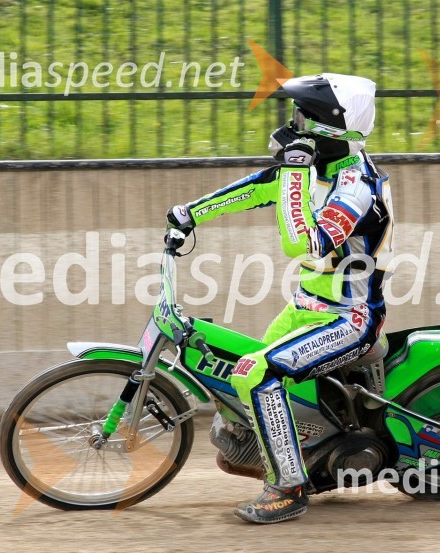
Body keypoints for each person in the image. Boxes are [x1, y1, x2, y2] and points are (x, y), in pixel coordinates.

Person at [167, 73, 394, 524]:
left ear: (330, 130)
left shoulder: (356, 188)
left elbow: (301, 243)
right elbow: (259, 187)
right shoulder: (321, 169)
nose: (294, 124)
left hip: (349, 319)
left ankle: (289, 488)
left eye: (303, 117)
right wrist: (189, 214)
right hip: (307, 307)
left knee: (256, 374)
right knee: (243, 373)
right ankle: (290, 451)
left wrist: (294, 170)